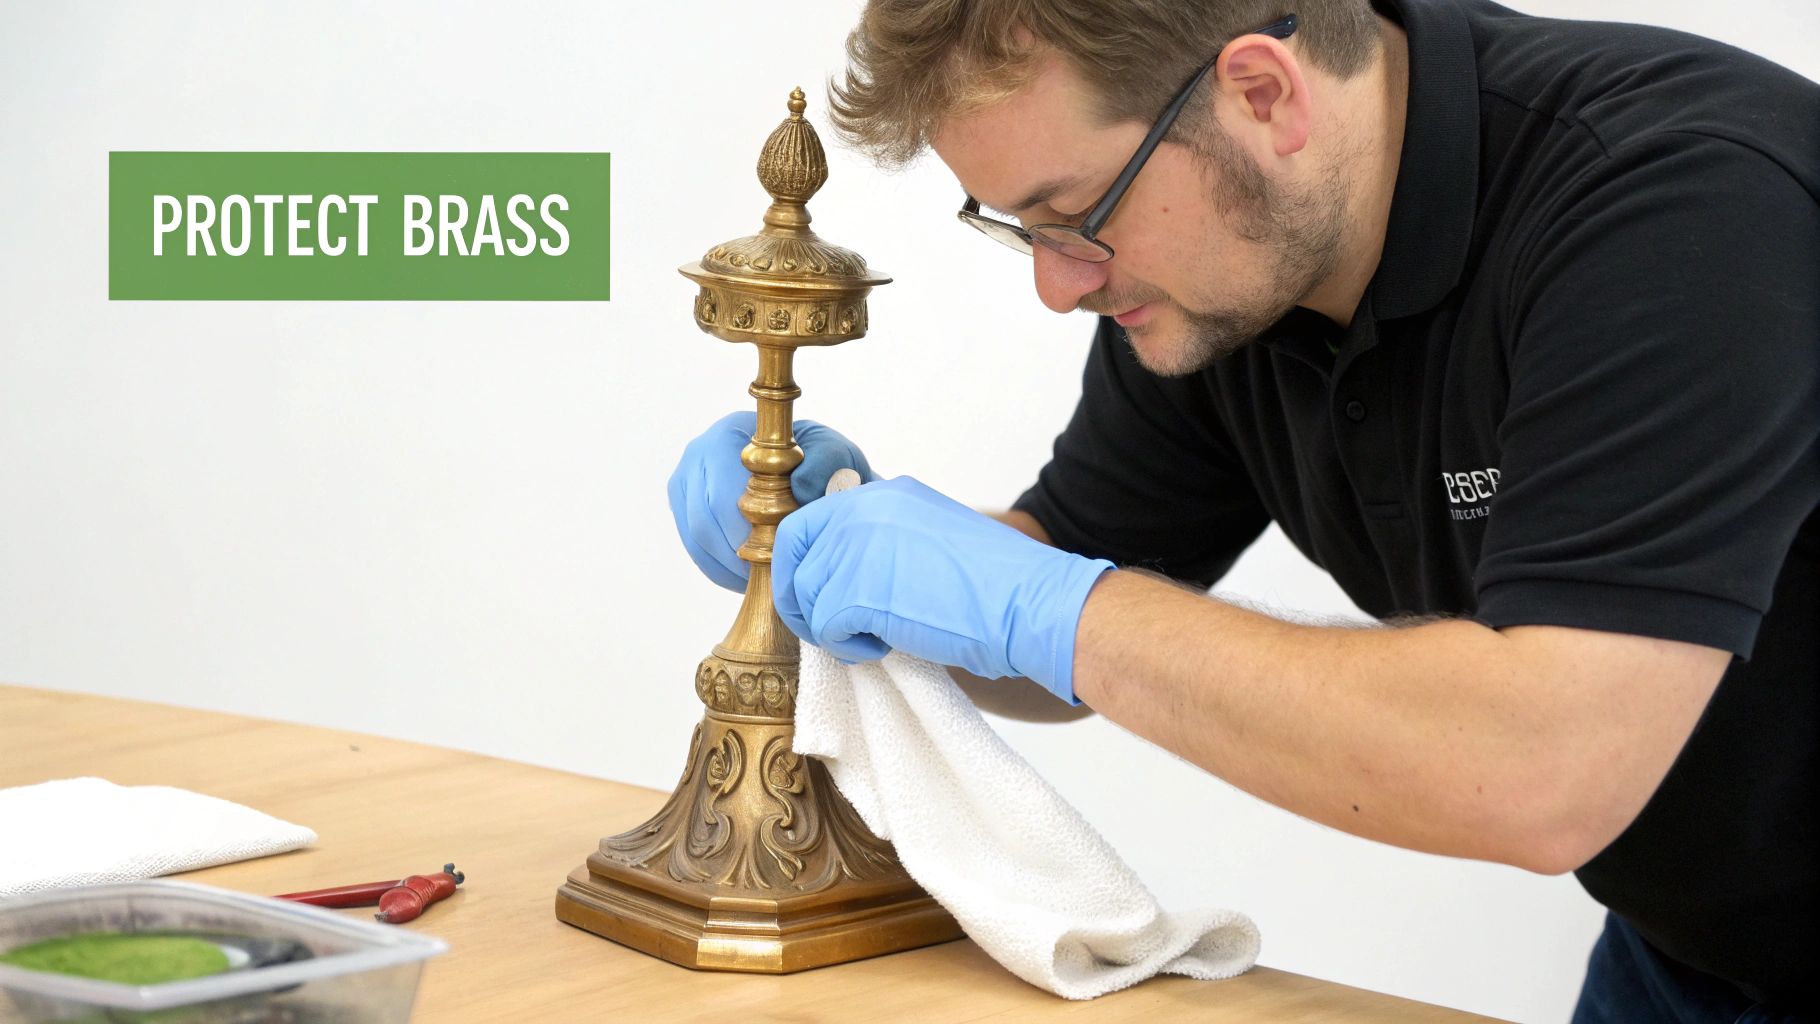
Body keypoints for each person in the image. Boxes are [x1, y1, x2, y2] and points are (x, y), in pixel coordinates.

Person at [667, 0, 1819, 1017]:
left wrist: (1042, 605)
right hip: (1689, 948)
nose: (1057, 283)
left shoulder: (1681, 206)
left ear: (1261, 94)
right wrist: (859, 551)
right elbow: (1066, 589)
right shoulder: (1223, 278)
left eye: (1072, 214)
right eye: (1015, 226)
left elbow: (1539, 768)